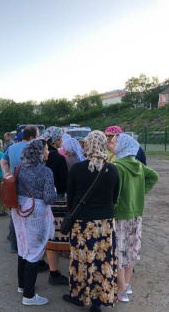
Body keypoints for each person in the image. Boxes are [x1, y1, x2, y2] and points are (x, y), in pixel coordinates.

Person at [63, 131, 120, 312]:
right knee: (102, 261)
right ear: (103, 145)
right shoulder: (112, 169)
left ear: (87, 145)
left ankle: (80, 296)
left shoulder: (77, 169)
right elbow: (115, 197)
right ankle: (98, 301)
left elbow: (70, 198)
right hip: (105, 224)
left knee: (82, 261)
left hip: (82, 224)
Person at [111, 133, 159, 302]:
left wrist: (114, 206)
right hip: (136, 214)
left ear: (122, 146)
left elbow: (115, 193)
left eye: (114, 141)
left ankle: (121, 290)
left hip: (120, 215)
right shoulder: (138, 165)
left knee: (117, 252)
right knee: (131, 251)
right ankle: (127, 285)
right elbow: (154, 176)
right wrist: (141, 193)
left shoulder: (116, 166)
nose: (111, 143)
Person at [13, 139, 56, 306]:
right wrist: (54, 191)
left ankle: (22, 286)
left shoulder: (20, 169)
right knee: (35, 252)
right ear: (39, 153)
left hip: (19, 210)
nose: (48, 152)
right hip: (36, 213)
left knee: (23, 247)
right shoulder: (46, 172)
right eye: (45, 149)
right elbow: (49, 198)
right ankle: (29, 297)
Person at [0, 126, 39, 254]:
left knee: (14, 212)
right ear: (32, 137)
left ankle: (14, 244)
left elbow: (3, 161)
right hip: (30, 185)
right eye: (37, 135)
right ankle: (28, 244)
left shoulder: (11, 147)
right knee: (29, 212)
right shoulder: (33, 147)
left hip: (14, 183)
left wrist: (6, 175)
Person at [43, 126, 69, 286]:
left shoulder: (41, 156)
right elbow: (64, 182)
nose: (62, 141)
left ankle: (53, 270)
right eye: (60, 138)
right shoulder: (58, 158)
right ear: (54, 140)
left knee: (49, 237)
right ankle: (55, 273)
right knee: (59, 236)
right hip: (58, 201)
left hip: (44, 201)